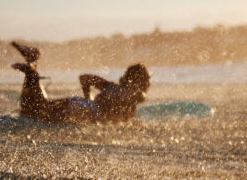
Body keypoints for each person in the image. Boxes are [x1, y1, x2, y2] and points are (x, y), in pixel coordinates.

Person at [11, 41, 150, 124]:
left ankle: (33, 61)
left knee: (33, 110)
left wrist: (87, 99)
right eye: (147, 80)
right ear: (140, 80)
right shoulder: (134, 93)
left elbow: (85, 78)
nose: (149, 84)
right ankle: (32, 70)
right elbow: (137, 95)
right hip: (86, 110)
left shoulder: (111, 86)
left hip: (84, 106)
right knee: (34, 112)